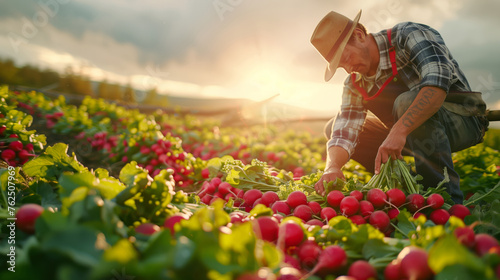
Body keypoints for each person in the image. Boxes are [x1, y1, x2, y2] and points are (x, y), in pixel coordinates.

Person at [310, 10, 489, 204]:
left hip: (462, 120)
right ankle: (406, 187)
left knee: (406, 101)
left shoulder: (408, 36)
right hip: (409, 138)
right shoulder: (354, 83)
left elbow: (437, 81)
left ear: (359, 35)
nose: (347, 68)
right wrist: (333, 167)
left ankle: (444, 201)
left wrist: (399, 130)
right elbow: (344, 131)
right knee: (333, 127)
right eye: (340, 66)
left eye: (345, 59)